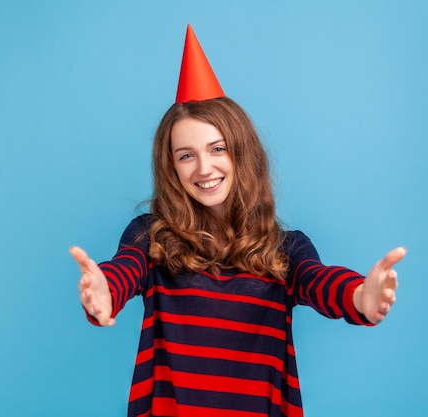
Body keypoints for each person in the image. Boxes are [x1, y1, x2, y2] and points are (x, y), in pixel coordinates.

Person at [70, 25, 406, 417]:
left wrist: (359, 297)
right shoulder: (150, 236)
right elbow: (123, 272)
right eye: (185, 155)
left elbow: (320, 281)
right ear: (171, 168)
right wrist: (104, 292)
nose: (204, 167)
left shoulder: (286, 249)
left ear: (241, 153)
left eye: (217, 149)